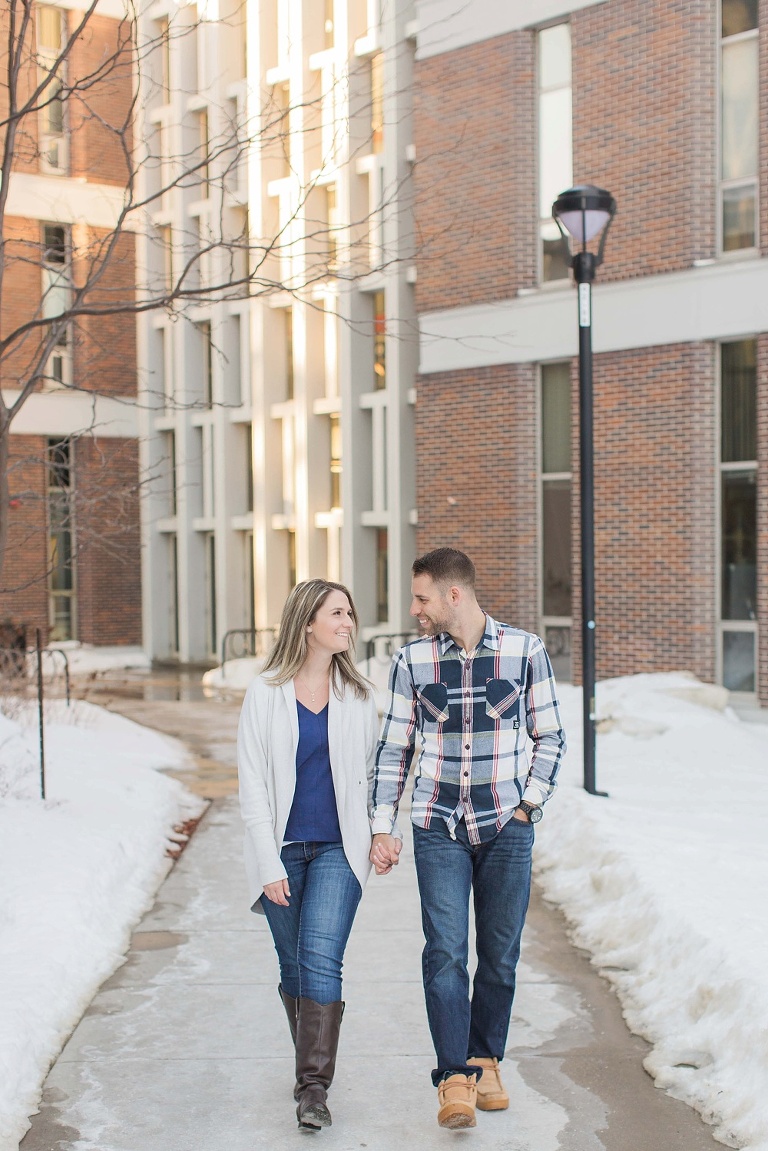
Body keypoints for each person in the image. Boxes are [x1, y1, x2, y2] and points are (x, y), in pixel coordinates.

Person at [369, 548, 566, 1130]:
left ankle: (486, 1060)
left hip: (507, 825)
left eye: (422, 597)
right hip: (438, 826)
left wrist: (529, 806)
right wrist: (384, 824)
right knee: (446, 952)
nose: (415, 609)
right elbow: (394, 748)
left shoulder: (525, 651)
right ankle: (454, 1075)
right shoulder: (412, 661)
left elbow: (550, 736)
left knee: (499, 956)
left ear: (454, 595)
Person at [237, 579, 379, 1131]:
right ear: (307, 623)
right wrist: (268, 866)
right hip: (282, 851)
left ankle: (313, 1089)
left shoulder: (360, 696)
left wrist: (381, 832)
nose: (348, 622)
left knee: (321, 959)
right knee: (293, 966)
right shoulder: (265, 692)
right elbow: (252, 786)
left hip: (342, 850)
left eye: (350, 612)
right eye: (338, 613)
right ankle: (309, 1067)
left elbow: (374, 777)